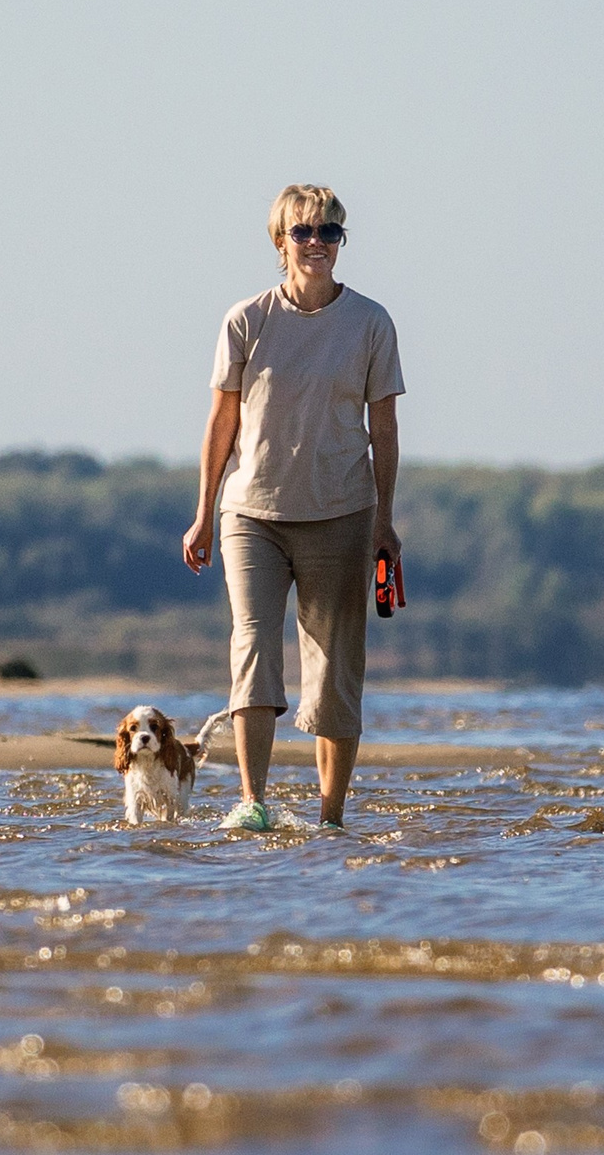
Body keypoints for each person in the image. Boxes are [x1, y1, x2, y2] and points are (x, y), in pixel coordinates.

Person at [182, 184, 405, 832]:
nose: (317, 243)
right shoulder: (247, 319)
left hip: (342, 512)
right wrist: (203, 511)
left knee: (335, 666)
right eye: (303, 232)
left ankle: (331, 817)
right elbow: (221, 422)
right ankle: (252, 802)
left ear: (342, 243)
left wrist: (385, 521)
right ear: (280, 242)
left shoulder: (371, 323)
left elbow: (384, 430)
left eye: (329, 233)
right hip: (252, 512)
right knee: (253, 644)